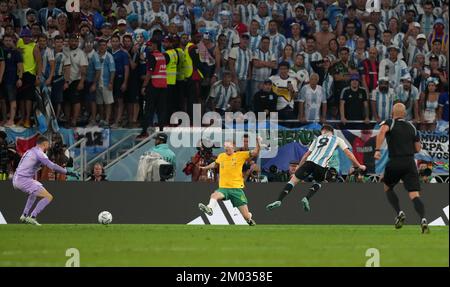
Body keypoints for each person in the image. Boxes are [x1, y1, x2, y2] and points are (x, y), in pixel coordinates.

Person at [266, 124, 366, 212]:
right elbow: (348, 153)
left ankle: (279, 200)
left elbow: (306, 155)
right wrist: (358, 165)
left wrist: (299, 168)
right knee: (319, 182)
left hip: (309, 162)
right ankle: (306, 198)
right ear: (332, 132)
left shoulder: (317, 139)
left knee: (292, 181)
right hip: (322, 166)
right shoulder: (337, 139)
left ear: (324, 131)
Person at [374, 103, 429, 233]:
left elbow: (382, 132)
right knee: (414, 194)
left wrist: (377, 150)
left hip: (395, 161)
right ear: (404, 114)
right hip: (410, 162)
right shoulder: (412, 127)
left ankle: (399, 212)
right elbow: (417, 148)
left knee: (387, 187)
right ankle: (423, 219)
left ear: (392, 113)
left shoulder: (390, 122)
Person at [12, 135, 77, 226]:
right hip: (24, 179)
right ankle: (33, 217)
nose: (49, 146)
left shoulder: (30, 151)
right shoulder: (39, 153)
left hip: (17, 178)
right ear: (44, 144)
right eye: (48, 144)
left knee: (34, 193)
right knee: (48, 197)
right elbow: (53, 166)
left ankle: (24, 215)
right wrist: (68, 172)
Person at [198, 137, 260, 226]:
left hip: (236, 189)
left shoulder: (240, 155)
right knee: (214, 195)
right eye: (225, 147)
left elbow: (255, 152)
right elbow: (215, 164)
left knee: (246, 216)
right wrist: (205, 167)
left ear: (233, 147)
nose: (226, 149)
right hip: (224, 188)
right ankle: (209, 209)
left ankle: (249, 218)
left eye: (228, 147)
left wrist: (258, 143)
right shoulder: (221, 156)